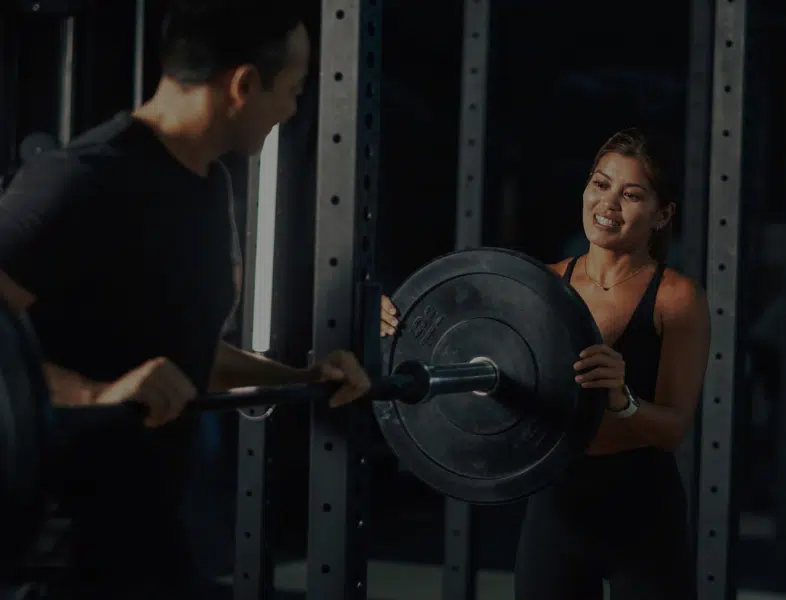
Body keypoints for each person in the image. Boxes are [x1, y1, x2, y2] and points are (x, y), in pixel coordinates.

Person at [0, 2, 370, 598]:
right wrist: (95, 394)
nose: (293, 110)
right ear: (243, 84)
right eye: (294, 91)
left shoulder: (205, 183)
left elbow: (185, 351)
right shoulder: (78, 180)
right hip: (53, 548)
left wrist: (304, 378)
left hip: (149, 530)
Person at [382, 128, 710, 599]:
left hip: (642, 511)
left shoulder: (677, 298)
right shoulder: (543, 285)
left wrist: (623, 400)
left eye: (631, 194)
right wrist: (401, 322)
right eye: (600, 184)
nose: (609, 203)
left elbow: (674, 429)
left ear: (662, 215)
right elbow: (462, 339)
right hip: (556, 506)